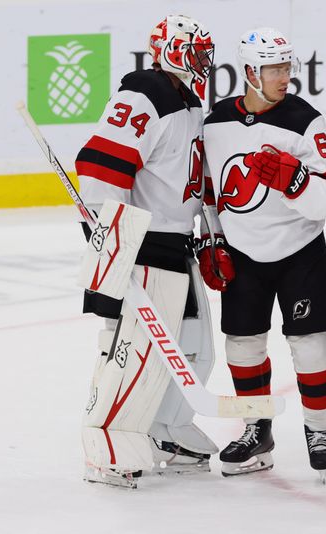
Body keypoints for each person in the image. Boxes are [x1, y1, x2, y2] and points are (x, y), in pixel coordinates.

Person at [75, 14, 222, 488]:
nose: (204, 61)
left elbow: (192, 181)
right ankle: (109, 440)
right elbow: (100, 165)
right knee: (135, 352)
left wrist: (212, 234)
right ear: (171, 49)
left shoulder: (187, 100)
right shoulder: (145, 92)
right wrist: (111, 239)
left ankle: (166, 428)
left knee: (195, 350)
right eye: (195, 50)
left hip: (179, 245)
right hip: (144, 244)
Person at [200, 27, 326, 481]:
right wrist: (213, 238)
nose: (285, 76)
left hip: (299, 249)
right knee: (242, 345)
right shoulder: (215, 122)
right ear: (249, 72)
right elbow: (208, 191)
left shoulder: (305, 119)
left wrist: (298, 183)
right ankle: (255, 430)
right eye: (274, 68)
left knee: (310, 343)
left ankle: (318, 432)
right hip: (242, 252)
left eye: (287, 66)